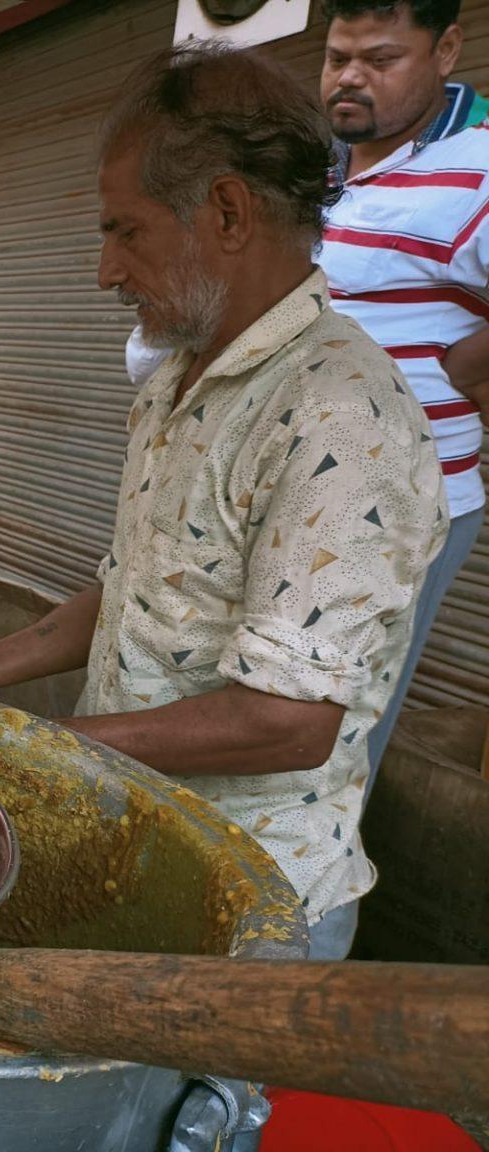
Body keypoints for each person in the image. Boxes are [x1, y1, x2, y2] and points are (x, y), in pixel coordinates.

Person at [0, 45, 447, 962]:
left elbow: (290, 722)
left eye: (125, 231)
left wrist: (37, 753)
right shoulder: (177, 377)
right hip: (139, 854)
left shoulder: (343, 417)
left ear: (225, 211)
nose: (104, 270)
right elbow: (136, 585)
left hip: (247, 906)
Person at [317, 0, 489, 790]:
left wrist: (468, 364)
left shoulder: (478, 167)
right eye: (337, 56)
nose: (350, 77)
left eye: (380, 59)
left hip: (399, 506)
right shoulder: (323, 164)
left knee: (327, 748)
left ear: (446, 48)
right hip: (299, 493)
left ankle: (312, 911)